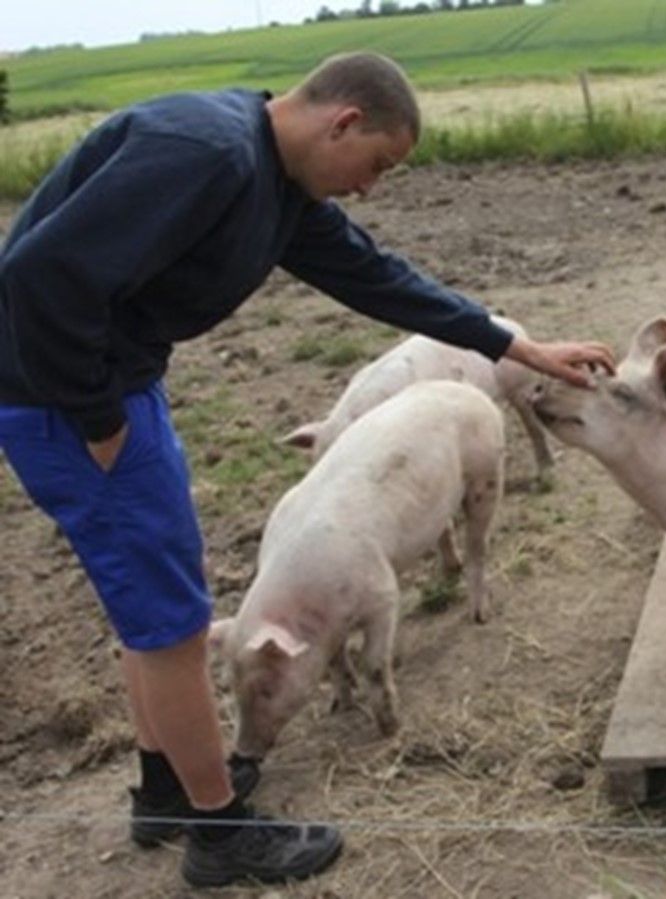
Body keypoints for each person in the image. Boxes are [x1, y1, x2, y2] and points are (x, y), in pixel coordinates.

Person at [0, 51, 614, 888]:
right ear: (343, 123)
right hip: (71, 402)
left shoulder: (274, 182)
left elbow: (379, 279)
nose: (371, 188)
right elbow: (42, 275)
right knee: (173, 626)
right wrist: (100, 421)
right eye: (378, 165)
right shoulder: (206, 152)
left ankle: (164, 791)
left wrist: (517, 345)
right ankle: (219, 834)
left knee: (159, 612)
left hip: (109, 390)